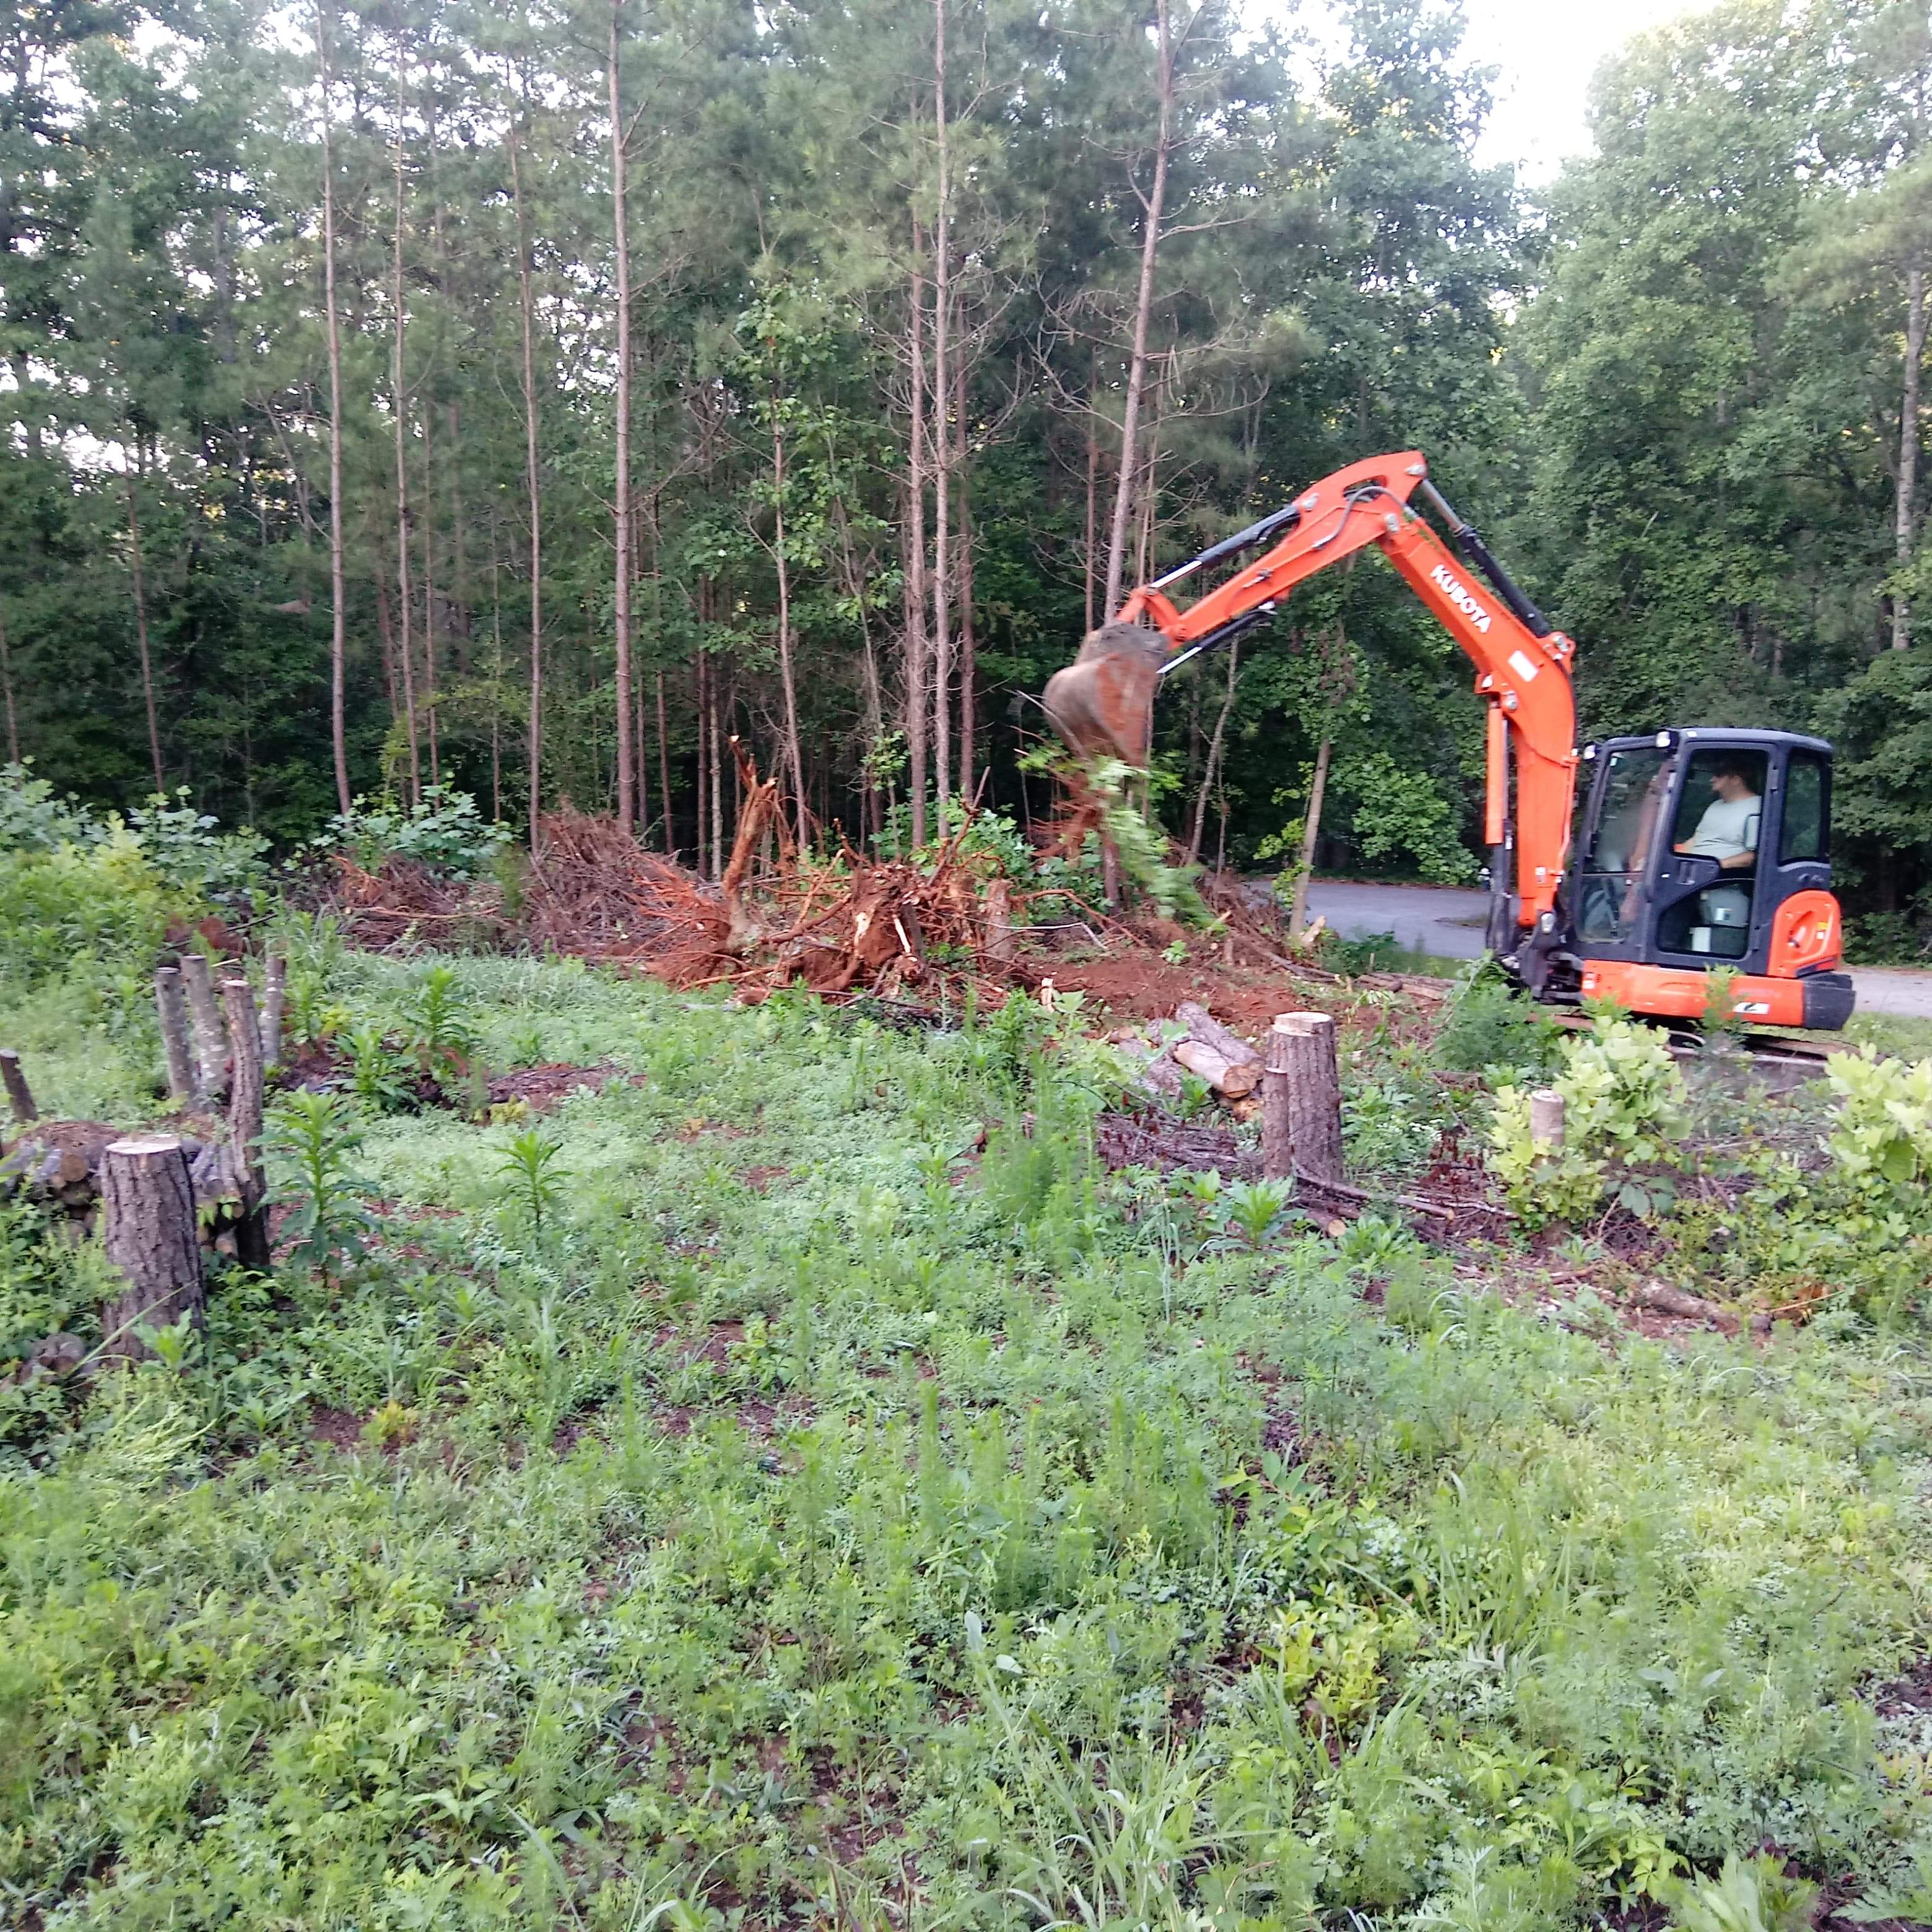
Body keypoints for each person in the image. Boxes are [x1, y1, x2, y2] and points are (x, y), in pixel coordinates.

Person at [1676, 756, 1760, 871]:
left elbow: (1754, 856)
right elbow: (1696, 840)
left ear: (1736, 780)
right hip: (1694, 874)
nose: (1712, 779)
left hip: (1726, 881)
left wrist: (1712, 868)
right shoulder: (1715, 806)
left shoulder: (1757, 807)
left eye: (1719, 775)